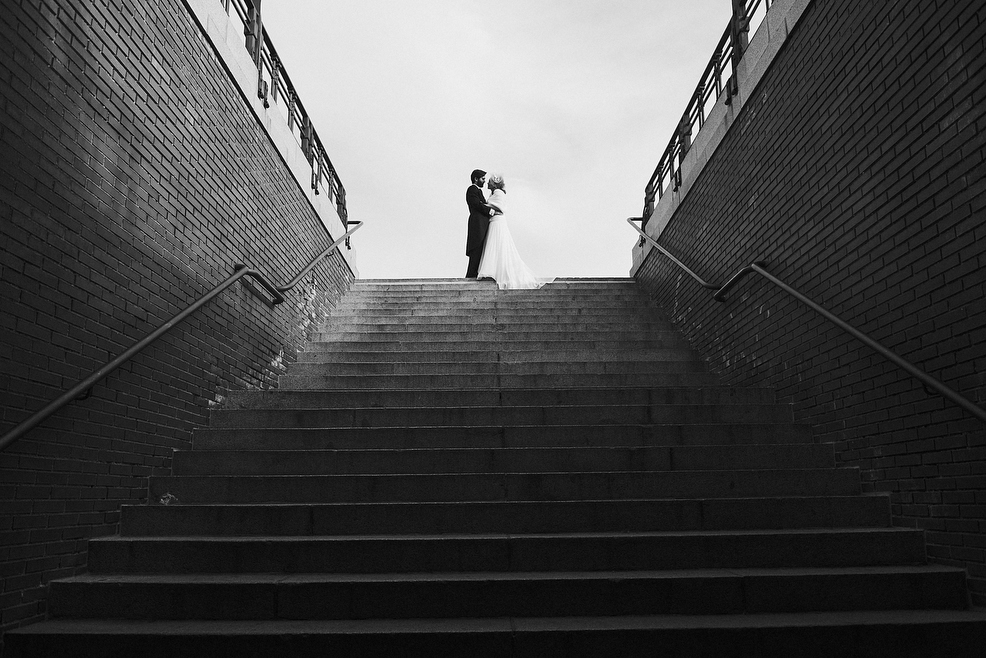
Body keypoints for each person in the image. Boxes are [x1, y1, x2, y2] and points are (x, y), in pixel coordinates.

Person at [476, 174, 552, 289]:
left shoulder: (498, 193)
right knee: (494, 245)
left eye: (490, 181)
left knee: (498, 245)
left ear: (494, 183)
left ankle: (495, 272)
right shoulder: (493, 193)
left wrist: (486, 208)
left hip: (497, 222)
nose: (487, 183)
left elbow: (500, 208)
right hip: (493, 222)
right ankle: (493, 271)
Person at [465, 169, 493, 278]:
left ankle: (473, 274)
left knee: (479, 251)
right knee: (476, 250)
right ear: (476, 179)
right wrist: (489, 210)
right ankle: (471, 275)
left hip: (480, 225)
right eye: (482, 179)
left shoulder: (477, 191)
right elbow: (476, 204)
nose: (484, 181)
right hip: (477, 226)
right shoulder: (472, 189)